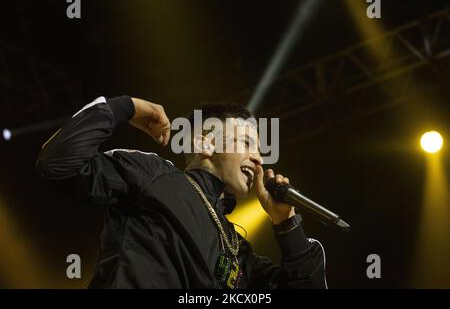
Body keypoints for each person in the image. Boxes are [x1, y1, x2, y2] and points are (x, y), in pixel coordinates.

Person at [36, 95, 327, 289]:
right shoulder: (154, 175)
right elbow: (58, 163)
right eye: (247, 143)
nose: (259, 158)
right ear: (206, 145)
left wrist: (286, 224)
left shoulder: (237, 249)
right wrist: (127, 107)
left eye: (260, 149)